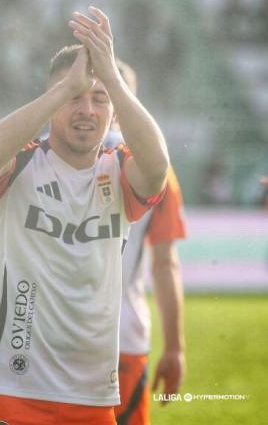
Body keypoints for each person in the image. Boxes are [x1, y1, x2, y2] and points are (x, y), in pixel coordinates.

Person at [0, 6, 170, 425]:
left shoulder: (119, 172)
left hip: (92, 398)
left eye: (99, 99)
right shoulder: (19, 166)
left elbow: (159, 165)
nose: (86, 109)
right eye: (73, 97)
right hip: (5, 387)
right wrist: (65, 87)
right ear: (49, 101)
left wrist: (110, 76)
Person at [105, 62, 187, 425]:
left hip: (49, 336)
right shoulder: (159, 171)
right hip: (123, 334)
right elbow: (165, 264)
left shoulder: (49, 154)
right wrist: (175, 347)